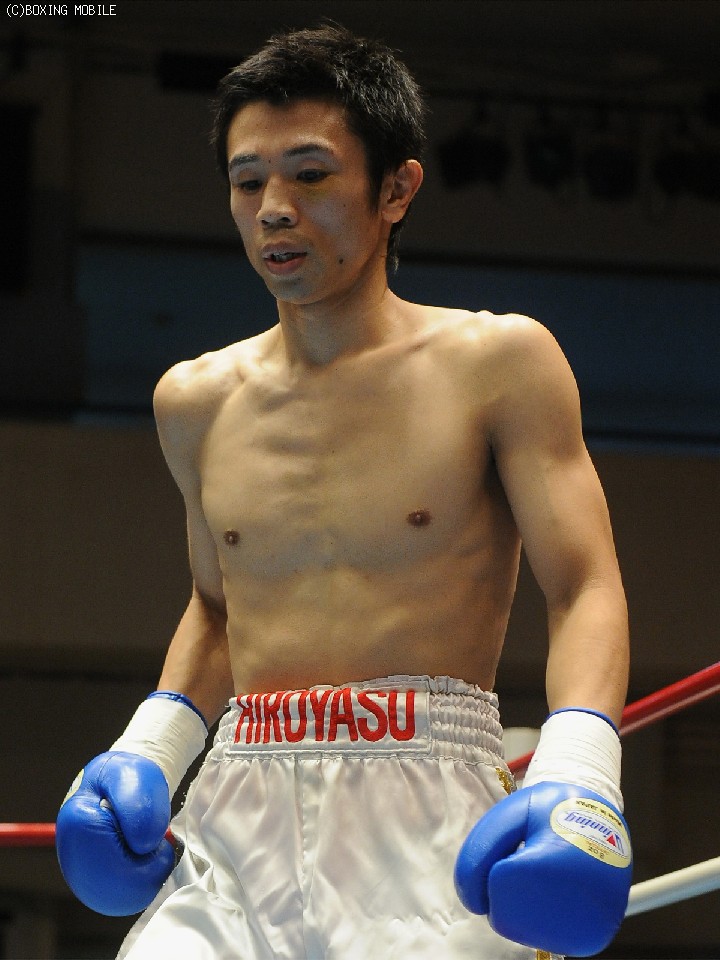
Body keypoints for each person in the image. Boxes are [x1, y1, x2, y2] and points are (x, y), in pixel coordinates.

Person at [56, 23, 632, 960]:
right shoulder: (194, 400)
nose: (274, 210)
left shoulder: (499, 363)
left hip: (429, 812)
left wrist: (581, 774)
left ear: (396, 190)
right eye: (248, 182)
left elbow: (584, 584)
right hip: (239, 810)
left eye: (311, 175)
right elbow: (218, 605)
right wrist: (148, 751)